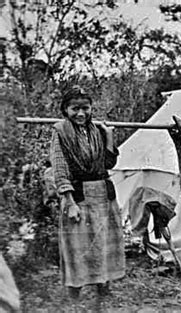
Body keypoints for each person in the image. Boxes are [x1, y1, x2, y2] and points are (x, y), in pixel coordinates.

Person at [50, 86, 125, 300]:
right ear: (65, 110)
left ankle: (103, 285)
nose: (81, 114)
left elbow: (109, 163)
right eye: (75, 109)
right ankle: (75, 289)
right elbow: (59, 167)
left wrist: (109, 137)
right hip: (78, 195)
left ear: (91, 109)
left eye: (85, 108)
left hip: (102, 193)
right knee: (77, 244)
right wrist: (70, 202)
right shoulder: (60, 131)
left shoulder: (97, 130)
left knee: (103, 241)